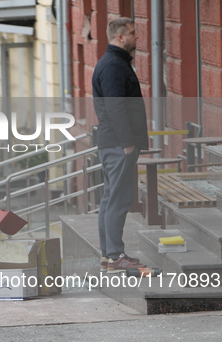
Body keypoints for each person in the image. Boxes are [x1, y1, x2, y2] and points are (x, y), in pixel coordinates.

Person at [92, 17, 149, 273]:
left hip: (112, 143)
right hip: (118, 145)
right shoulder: (114, 66)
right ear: (120, 37)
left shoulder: (114, 63)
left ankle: (109, 256)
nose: (138, 38)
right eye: (134, 34)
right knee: (118, 200)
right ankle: (115, 256)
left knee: (110, 199)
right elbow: (116, 107)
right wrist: (128, 144)